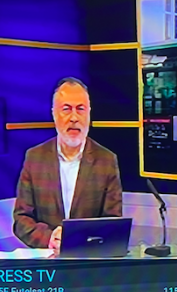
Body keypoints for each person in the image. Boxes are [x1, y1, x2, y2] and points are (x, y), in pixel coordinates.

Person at [12, 77, 122, 252]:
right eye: (66, 109)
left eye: (80, 109)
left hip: (87, 260)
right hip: (48, 260)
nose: (74, 118)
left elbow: (113, 223)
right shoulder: (34, 158)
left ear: (89, 114)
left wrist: (76, 240)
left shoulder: (106, 161)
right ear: (54, 114)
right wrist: (50, 238)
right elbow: (21, 220)